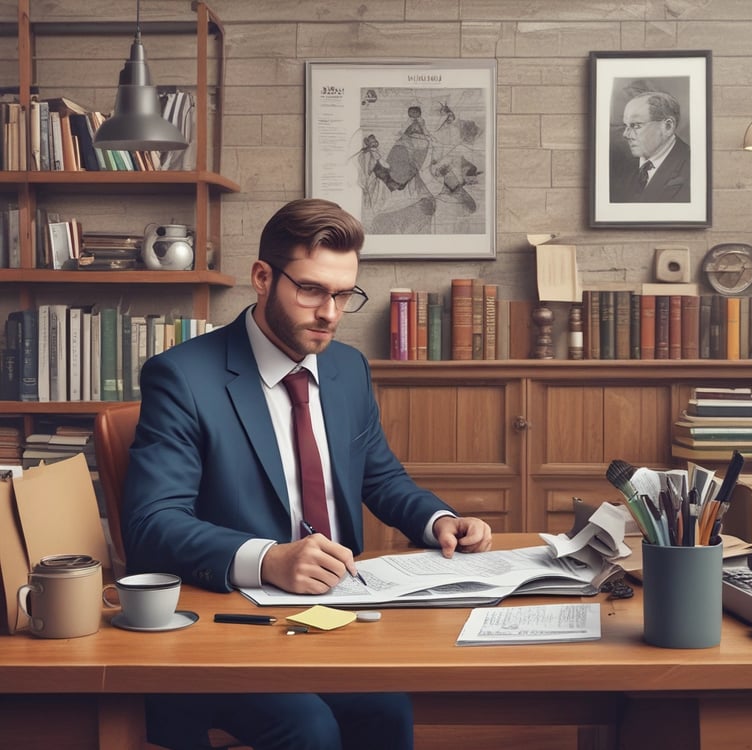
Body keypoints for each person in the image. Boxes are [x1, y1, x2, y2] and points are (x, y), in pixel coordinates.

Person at [121, 197, 493, 750]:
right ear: (262, 277)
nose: (330, 314)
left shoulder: (347, 367)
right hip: (230, 624)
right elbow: (152, 523)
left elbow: (380, 477)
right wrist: (269, 559)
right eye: (312, 290)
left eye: (344, 294)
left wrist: (438, 519)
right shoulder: (181, 376)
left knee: (388, 709)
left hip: (333, 614)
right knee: (309, 726)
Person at [613, 90, 691, 203]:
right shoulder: (623, 166)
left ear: (668, 126)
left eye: (636, 125)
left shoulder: (692, 167)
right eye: (626, 126)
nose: (625, 134)